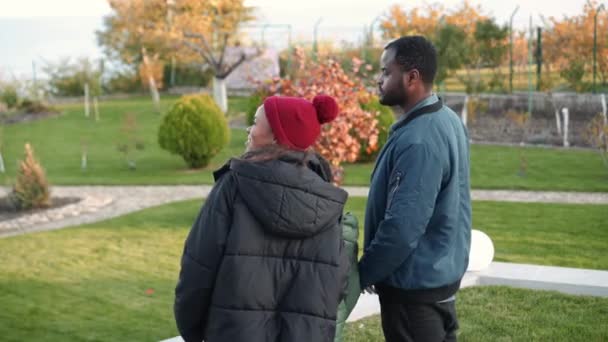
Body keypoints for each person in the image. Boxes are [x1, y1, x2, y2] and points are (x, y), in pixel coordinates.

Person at [174, 94, 353, 342]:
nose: (249, 129)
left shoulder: (233, 185)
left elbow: (199, 267)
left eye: (256, 122)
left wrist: (192, 330)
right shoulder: (326, 197)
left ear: (276, 136)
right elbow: (338, 280)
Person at [358, 35, 472, 342]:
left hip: (414, 289)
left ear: (412, 78)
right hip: (436, 277)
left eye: (386, 72)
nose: (379, 80)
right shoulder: (444, 118)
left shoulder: (419, 140)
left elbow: (403, 227)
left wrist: (364, 272)